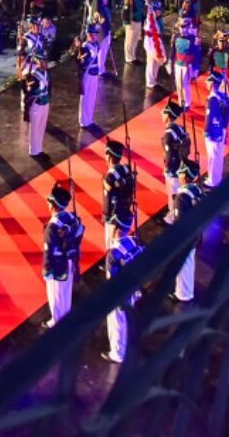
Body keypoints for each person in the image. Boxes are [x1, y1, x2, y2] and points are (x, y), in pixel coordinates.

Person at [102, 206, 143, 364]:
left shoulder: (113, 254)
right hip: (132, 287)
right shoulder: (133, 242)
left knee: (116, 322)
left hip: (119, 293)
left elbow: (112, 279)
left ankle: (117, 352)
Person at [41, 181, 84, 328]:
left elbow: (49, 250)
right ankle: (66, 315)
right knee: (66, 293)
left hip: (57, 266)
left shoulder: (52, 226)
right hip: (70, 260)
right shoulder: (72, 218)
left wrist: (47, 270)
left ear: (53, 205)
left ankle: (57, 322)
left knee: (55, 296)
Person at [171, 160, 203, 302]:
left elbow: (180, 220)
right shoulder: (197, 190)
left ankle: (183, 293)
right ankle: (185, 290)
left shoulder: (182, 196)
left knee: (184, 263)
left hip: (185, 235)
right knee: (189, 262)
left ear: (185, 176)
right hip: (196, 229)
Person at [101, 138, 135, 249]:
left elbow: (109, 193)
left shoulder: (110, 176)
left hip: (113, 214)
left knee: (111, 245)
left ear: (109, 156)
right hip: (125, 208)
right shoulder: (126, 169)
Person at [204, 70, 229, 187]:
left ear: (213, 83)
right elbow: (228, 112)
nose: (206, 82)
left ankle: (214, 180)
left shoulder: (213, 99)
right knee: (217, 156)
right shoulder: (223, 96)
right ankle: (214, 176)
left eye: (208, 80)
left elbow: (211, 117)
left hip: (215, 131)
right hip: (222, 129)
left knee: (214, 156)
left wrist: (207, 132)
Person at [160, 99, 187, 217]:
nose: (162, 115)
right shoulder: (179, 128)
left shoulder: (168, 134)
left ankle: (173, 215)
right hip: (182, 164)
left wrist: (168, 169)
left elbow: (169, 154)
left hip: (174, 168)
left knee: (173, 193)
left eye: (163, 113)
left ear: (168, 115)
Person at [77, 24, 104, 131]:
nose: (95, 36)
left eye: (96, 34)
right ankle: (83, 120)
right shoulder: (85, 47)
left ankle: (89, 119)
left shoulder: (96, 44)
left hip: (94, 72)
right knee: (85, 97)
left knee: (92, 96)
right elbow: (81, 62)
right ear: (89, 35)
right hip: (87, 74)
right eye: (93, 34)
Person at [24, 53, 50, 157]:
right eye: (43, 61)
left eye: (46, 61)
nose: (46, 63)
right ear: (38, 62)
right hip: (36, 104)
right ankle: (33, 150)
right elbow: (29, 91)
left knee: (42, 127)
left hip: (45, 102)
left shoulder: (46, 73)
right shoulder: (33, 76)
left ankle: (39, 148)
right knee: (35, 128)